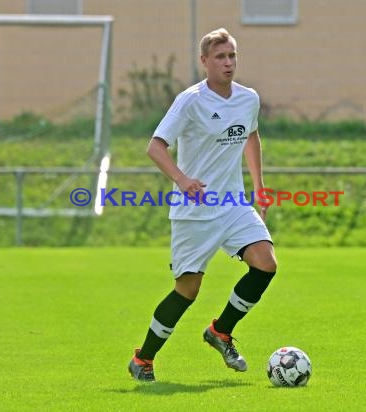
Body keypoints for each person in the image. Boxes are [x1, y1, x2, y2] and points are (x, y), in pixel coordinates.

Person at [128, 28, 277, 382]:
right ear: (205, 62)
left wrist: (258, 185)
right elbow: (155, 147)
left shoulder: (248, 98)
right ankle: (143, 359)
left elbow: (251, 135)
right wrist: (182, 181)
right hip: (194, 212)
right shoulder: (190, 100)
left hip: (233, 204)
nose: (228, 63)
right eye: (221, 57)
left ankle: (221, 332)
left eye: (232, 56)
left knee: (265, 264)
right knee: (187, 291)